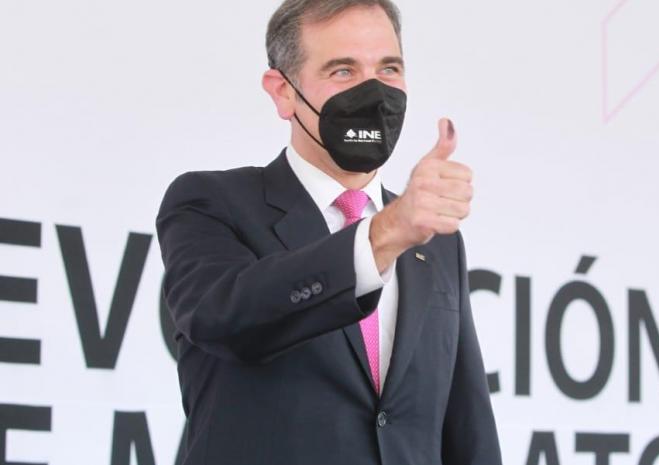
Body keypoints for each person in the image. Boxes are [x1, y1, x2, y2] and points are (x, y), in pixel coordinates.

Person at [155, 0, 502, 463]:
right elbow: (225, 319)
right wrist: (382, 236)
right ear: (283, 92)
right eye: (343, 71)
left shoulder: (435, 239)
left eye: (389, 69)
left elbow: (467, 423)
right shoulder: (210, 203)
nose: (373, 92)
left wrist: (400, 227)